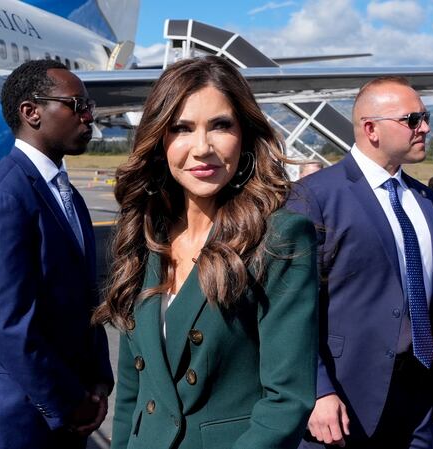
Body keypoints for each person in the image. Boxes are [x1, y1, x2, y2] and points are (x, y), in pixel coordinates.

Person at [93, 56, 319, 449]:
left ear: (245, 134)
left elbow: (286, 401)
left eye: (220, 126)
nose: (202, 148)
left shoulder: (279, 237)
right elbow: (135, 389)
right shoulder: (144, 236)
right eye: (181, 128)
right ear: (159, 140)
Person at [0, 60, 113, 449]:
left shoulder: (67, 194)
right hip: (11, 420)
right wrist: (68, 401)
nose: (88, 116)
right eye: (76, 104)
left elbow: (83, 298)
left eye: (89, 105)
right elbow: (4, 322)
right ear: (31, 112)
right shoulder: (3, 195)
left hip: (64, 410)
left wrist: (97, 380)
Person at [287, 76, 433, 449]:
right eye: (412, 119)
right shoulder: (315, 197)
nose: (425, 128)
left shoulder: (428, 201)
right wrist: (318, 391)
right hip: (344, 400)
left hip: (419, 394)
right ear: (371, 129)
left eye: (425, 117)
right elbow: (290, 309)